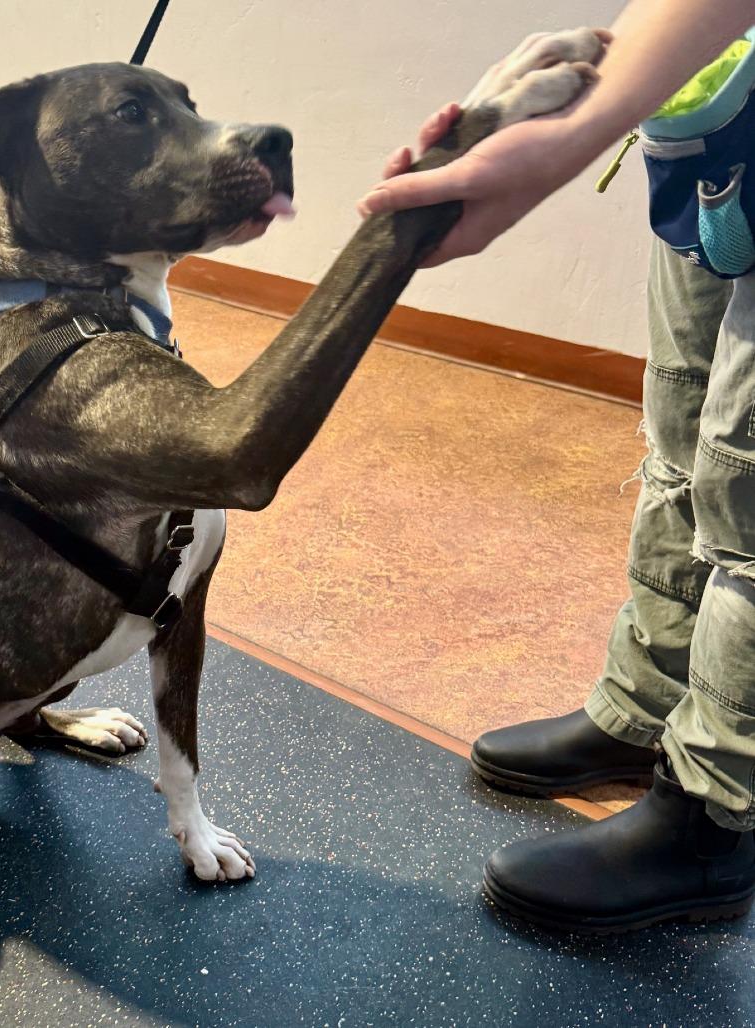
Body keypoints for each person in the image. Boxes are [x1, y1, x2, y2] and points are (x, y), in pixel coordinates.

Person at [359, 0, 755, 933]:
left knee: (748, 487)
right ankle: (647, 707)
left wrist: (572, 133)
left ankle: (716, 812)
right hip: (730, 114)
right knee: (684, 425)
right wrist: (585, 100)